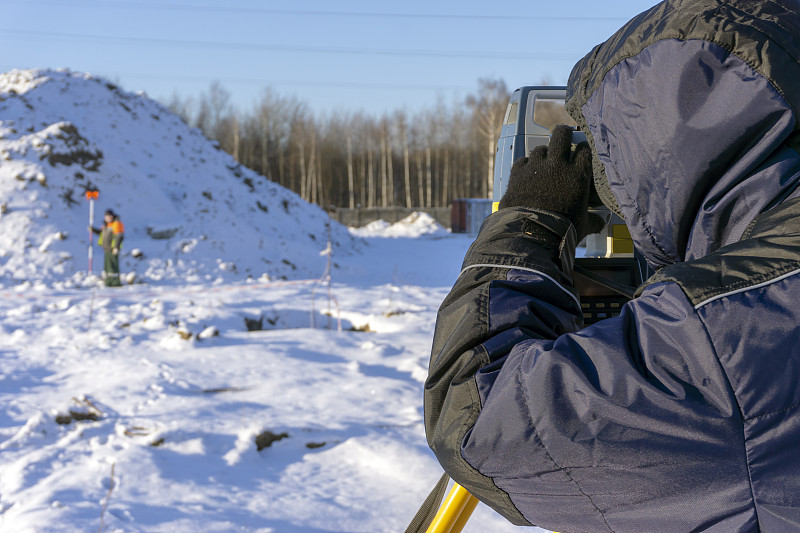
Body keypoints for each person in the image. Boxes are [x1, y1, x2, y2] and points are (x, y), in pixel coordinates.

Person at [424, 0, 800, 531]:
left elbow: (478, 421)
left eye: (610, 159)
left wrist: (528, 222)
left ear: (660, 158)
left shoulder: (724, 340)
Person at [90, 209, 125, 286]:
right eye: (106, 216)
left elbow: (119, 236)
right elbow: (101, 233)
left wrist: (116, 247)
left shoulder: (116, 224)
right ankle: (109, 281)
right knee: (108, 267)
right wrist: (93, 230)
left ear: (112, 216)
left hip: (113, 249)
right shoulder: (106, 225)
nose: (107, 218)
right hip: (106, 249)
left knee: (113, 267)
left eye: (109, 216)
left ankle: (115, 282)